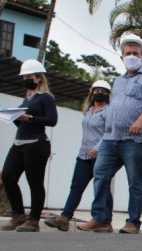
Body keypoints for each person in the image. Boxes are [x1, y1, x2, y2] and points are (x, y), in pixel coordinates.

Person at [77, 33, 142, 234]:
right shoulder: (118, 81)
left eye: (135, 53)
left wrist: (141, 121)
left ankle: (133, 222)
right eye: (127, 53)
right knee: (100, 174)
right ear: (122, 58)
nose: (131, 56)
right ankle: (101, 218)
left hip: (136, 138)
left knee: (134, 180)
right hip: (110, 137)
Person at [44, 80, 114, 231]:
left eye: (102, 91)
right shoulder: (88, 111)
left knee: (103, 187)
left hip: (101, 155)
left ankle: (106, 221)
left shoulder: (109, 111)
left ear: (108, 94)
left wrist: (98, 148)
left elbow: (109, 132)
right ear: (91, 93)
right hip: (83, 155)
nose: (98, 93)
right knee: (76, 187)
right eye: (95, 91)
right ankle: (65, 218)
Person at [0, 59, 58, 232]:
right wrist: (14, 118)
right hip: (18, 143)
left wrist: (30, 118)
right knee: (8, 177)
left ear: (39, 77)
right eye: (24, 76)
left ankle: (34, 220)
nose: (26, 79)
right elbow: (22, 124)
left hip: (36, 144)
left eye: (29, 76)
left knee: (35, 182)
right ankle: (18, 215)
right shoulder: (26, 100)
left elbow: (52, 120)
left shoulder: (45, 98)